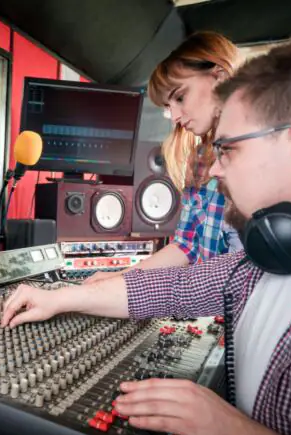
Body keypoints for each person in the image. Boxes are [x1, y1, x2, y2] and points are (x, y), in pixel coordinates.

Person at [2, 23, 291, 435]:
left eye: (229, 149)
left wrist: (231, 432)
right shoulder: (268, 255)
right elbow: (173, 288)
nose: (212, 168)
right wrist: (61, 296)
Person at [85, 32, 243, 285]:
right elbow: (186, 246)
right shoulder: (200, 158)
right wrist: (118, 278)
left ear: (220, 77)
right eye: (169, 107)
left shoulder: (265, 154)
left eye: (180, 97)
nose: (176, 116)